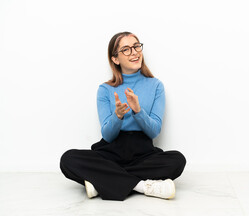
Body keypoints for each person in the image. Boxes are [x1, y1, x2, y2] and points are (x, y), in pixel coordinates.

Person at [60, 31, 186, 201]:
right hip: (111, 152)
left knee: (177, 160)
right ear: (115, 59)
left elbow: (154, 131)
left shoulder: (156, 85)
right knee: (68, 159)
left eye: (136, 46)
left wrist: (137, 111)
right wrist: (117, 116)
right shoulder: (105, 89)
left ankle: (101, 181)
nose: (134, 52)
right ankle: (142, 186)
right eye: (126, 49)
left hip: (143, 153)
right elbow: (107, 135)